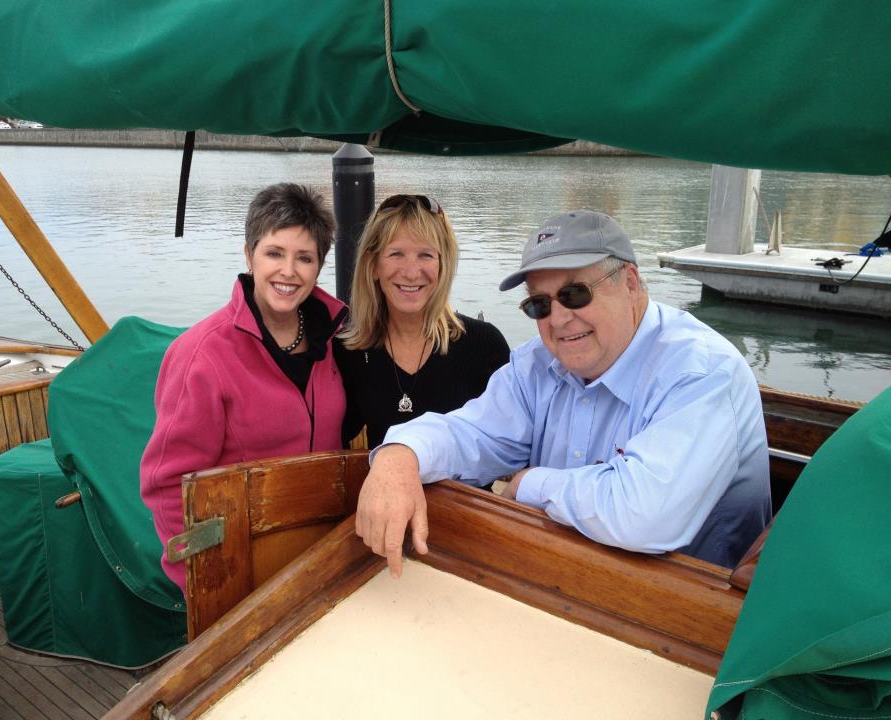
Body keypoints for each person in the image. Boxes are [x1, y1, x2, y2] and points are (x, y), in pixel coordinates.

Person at [356, 209, 771, 577]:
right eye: (539, 305)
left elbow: (644, 516)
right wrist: (400, 455)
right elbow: (473, 433)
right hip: (557, 576)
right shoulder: (538, 362)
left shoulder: (702, 372)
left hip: (687, 612)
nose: (559, 318)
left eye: (575, 294)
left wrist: (533, 484)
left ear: (630, 282)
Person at [141, 183, 347, 592]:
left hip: (321, 552)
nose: (289, 271)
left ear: (319, 267)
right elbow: (167, 488)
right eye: (275, 253)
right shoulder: (201, 355)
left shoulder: (336, 339)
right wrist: (207, 583)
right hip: (241, 568)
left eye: (304, 258)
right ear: (249, 255)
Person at [333, 193, 510, 449]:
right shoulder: (350, 351)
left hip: (460, 489)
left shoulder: (484, 345)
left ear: (443, 264)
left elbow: (513, 443)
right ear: (373, 266)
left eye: (425, 255)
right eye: (396, 254)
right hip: (383, 488)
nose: (411, 272)